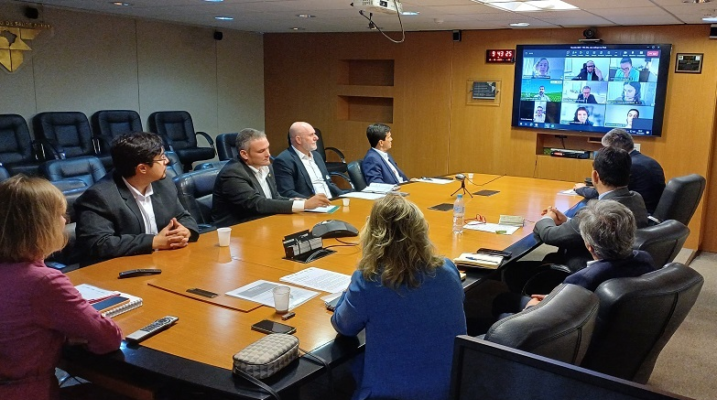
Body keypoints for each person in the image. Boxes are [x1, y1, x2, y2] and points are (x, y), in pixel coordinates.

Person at [331, 195, 466, 400]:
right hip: (450, 388)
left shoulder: (370, 280)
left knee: (337, 376)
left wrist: (351, 287)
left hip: (390, 393)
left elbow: (343, 325)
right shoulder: (447, 268)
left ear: (373, 235)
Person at [0, 175, 123, 400]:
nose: (65, 221)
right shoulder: (43, 282)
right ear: (40, 225)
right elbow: (108, 338)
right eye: (60, 214)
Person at [494, 200, 656, 318]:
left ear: (588, 245)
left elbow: (549, 317)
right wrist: (556, 298)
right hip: (602, 318)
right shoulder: (645, 259)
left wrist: (536, 305)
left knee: (503, 300)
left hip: (559, 332)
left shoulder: (580, 279)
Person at [75, 132, 199, 266]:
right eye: (161, 157)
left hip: (161, 262)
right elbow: (98, 244)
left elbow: (182, 216)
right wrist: (154, 241)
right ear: (142, 168)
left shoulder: (163, 183)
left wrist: (185, 230)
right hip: (118, 270)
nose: (167, 161)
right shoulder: (99, 196)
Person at [534, 147, 649, 273]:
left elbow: (550, 235)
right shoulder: (637, 198)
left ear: (595, 176)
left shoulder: (600, 212)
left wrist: (548, 217)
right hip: (622, 267)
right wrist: (568, 220)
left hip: (587, 270)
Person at [212, 128, 330, 227]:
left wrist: (303, 201)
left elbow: (274, 197)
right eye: (261, 151)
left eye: (267, 148)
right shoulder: (232, 173)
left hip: (263, 222)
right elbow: (257, 204)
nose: (268, 154)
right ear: (244, 154)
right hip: (237, 230)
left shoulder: (266, 166)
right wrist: (304, 205)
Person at [574, 129, 665, 214]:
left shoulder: (628, 165)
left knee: (583, 207)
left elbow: (607, 192)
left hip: (635, 215)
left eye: (607, 150)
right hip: (645, 212)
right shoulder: (648, 161)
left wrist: (581, 189)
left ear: (613, 150)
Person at [273, 121, 346, 199]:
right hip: (310, 207)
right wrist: (312, 202)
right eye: (311, 135)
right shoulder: (284, 161)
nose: (316, 138)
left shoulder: (317, 155)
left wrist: (344, 196)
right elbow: (287, 193)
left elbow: (329, 183)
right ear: (298, 140)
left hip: (332, 202)